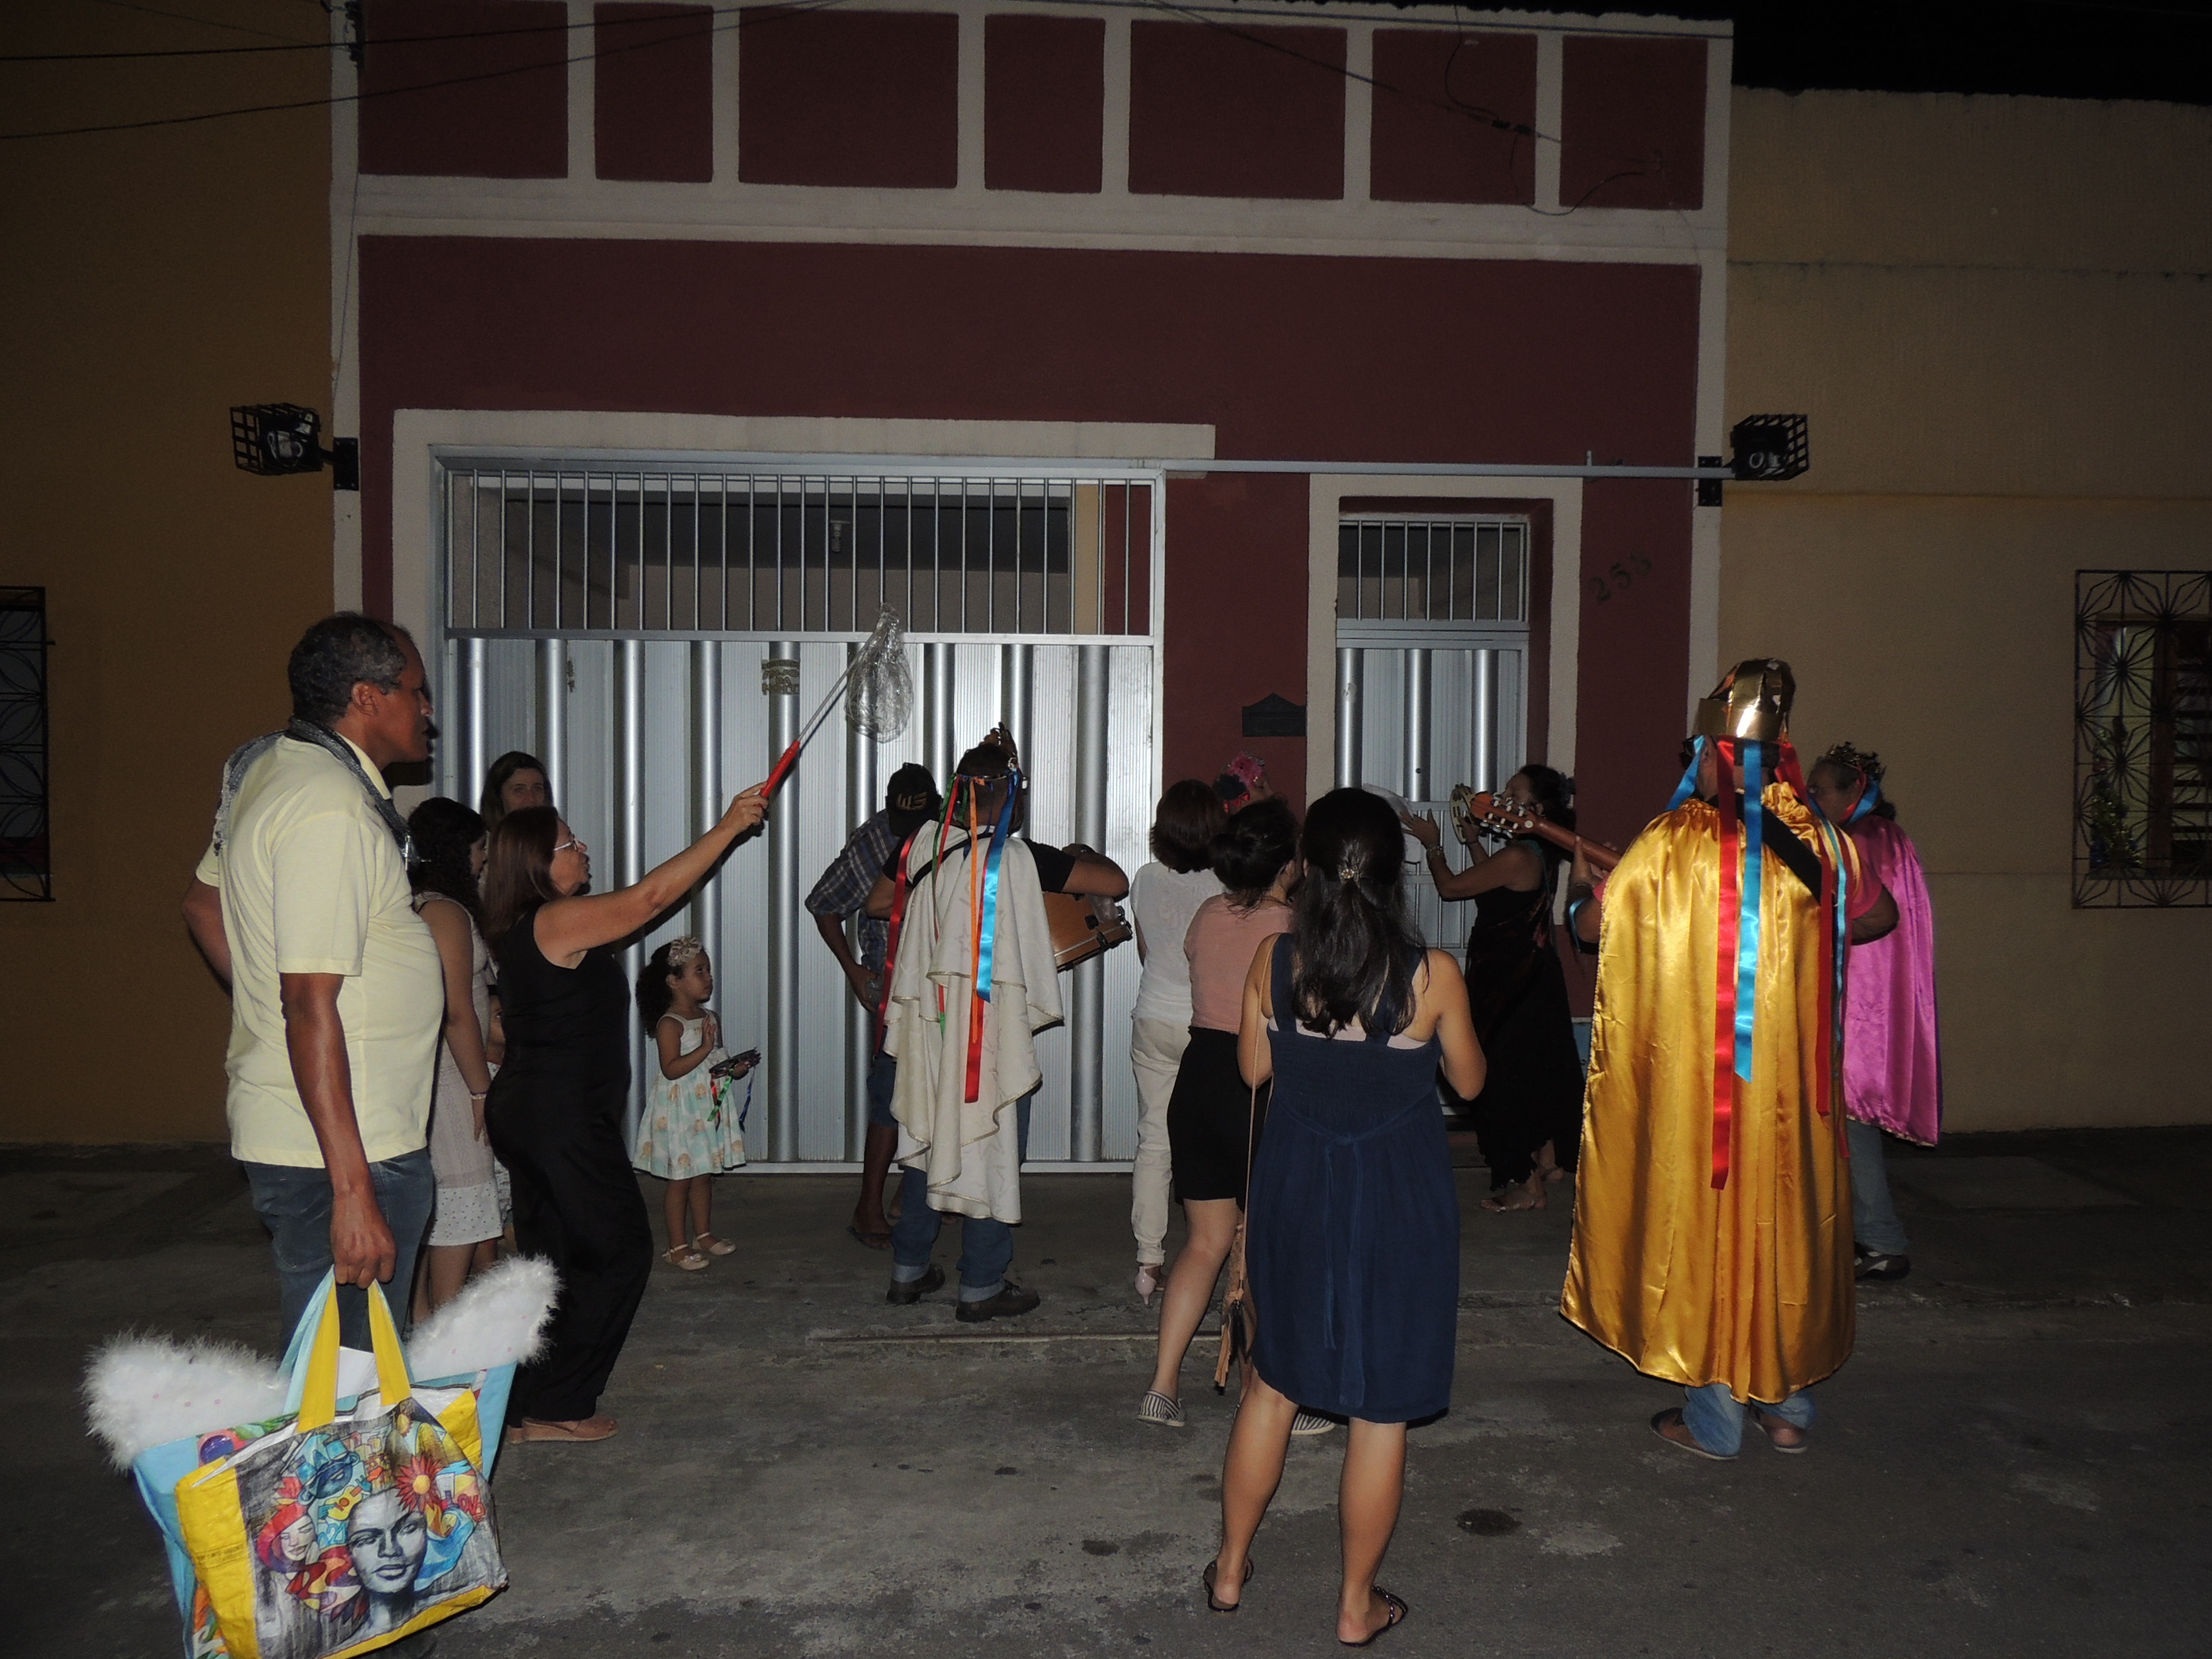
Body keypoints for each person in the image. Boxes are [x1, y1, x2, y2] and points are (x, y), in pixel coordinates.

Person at [1561, 659, 1898, 1462]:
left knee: (1711, 1230)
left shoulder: (1672, 842)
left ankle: (1714, 1419)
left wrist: (1582, 893)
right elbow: (1878, 918)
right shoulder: (1823, 841)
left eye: (1696, 752)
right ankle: (1786, 1409)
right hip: (1791, 1094)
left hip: (1706, 1090)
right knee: (1783, 1228)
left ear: (1715, 754)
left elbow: (1590, 931)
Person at [1207, 788, 1483, 1645]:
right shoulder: (1432, 975)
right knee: (1380, 1408)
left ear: (1306, 871)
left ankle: (1229, 1571)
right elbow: (1471, 1083)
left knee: (1272, 1387)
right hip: (1397, 1203)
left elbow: (1253, 1072)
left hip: (1297, 1192)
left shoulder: (1277, 961)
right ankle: (1356, 1606)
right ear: (1395, 873)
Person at [180, 613, 444, 1349]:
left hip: (327, 1133)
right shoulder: (329, 807)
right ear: (367, 697)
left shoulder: (270, 767)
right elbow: (308, 1001)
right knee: (349, 1376)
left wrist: (270, 1008)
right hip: (348, 1147)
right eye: (416, 691)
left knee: (344, 1367)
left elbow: (203, 906)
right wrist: (353, 1192)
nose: (428, 711)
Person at [482, 782, 769, 1443]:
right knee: (619, 1252)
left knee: (554, 1263)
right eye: (568, 843)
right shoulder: (552, 920)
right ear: (537, 864)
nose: (582, 847)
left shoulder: (529, 927)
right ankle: (560, 1404)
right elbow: (649, 900)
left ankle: (524, 1405)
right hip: (559, 1120)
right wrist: (729, 826)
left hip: (536, 1114)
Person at [867, 731, 1128, 1322]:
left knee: (928, 1132)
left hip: (932, 1023)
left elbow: (879, 903)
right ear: (1010, 793)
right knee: (992, 1140)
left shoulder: (920, 844)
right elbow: (1115, 883)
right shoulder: (1021, 858)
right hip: (989, 1031)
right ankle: (981, 1284)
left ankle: (909, 1270)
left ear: (955, 794)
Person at [1140, 798, 1309, 1429]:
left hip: (1199, 1080)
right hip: (1259, 1084)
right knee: (1262, 1248)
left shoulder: (1209, 913)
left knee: (1205, 1242)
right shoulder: (1293, 926)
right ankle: (1263, 1399)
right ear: (1288, 864)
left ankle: (1162, 1387)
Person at [1401, 766, 1586, 1212]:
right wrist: (1471, 841)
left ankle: (1526, 1184)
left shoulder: (1520, 855)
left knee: (1501, 1079)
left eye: (1512, 793)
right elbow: (1495, 890)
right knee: (1534, 1074)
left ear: (1534, 808)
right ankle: (1547, 1161)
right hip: (1533, 979)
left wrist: (1432, 843)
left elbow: (1451, 889)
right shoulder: (1533, 851)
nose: (1502, 797)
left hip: (1512, 984)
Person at [1808, 741, 1942, 1284]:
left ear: (1853, 793)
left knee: (1851, 1116)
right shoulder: (1883, 837)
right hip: (1868, 999)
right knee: (1843, 1120)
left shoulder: (1859, 841)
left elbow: (1845, 917)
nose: (1809, 797)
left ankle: (1881, 1240)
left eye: (1819, 789)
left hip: (1856, 1002)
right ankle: (1860, 1235)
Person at [805, 764, 943, 1250]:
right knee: (890, 1096)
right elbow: (823, 903)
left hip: (946, 983)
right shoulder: (869, 843)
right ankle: (868, 1207)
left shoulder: (951, 831)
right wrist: (853, 969)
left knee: (941, 1090)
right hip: (893, 987)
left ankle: (912, 1195)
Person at [1126, 780, 1226, 1305]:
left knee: (1155, 1140)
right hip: (1206, 1024)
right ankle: (1214, 1248)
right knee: (1215, 1140)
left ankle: (1148, 1263)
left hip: (1152, 1018)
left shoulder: (1144, 878)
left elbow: (1147, 953)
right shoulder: (1226, 884)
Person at [406, 797, 504, 1319]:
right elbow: (457, 1011)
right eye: (479, 847)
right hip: (450, 1076)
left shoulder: (430, 905)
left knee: (440, 1203)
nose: (483, 859)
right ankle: (442, 1328)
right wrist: (480, 1090)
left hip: (449, 1071)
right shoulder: (443, 911)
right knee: (463, 1194)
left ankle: (424, 1322)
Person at [632, 937, 755, 1269]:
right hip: (681, 1112)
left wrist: (734, 1069)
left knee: (703, 1174)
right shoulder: (670, 1024)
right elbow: (671, 1069)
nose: (708, 977)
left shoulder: (710, 1017)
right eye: (699, 971)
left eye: (708, 970)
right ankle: (677, 1246)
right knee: (681, 1179)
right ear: (674, 981)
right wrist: (703, 1048)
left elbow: (716, 1061)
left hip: (707, 1108)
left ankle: (704, 1234)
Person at [478, 750, 552, 839]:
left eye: (537, 789)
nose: (531, 798)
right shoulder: (482, 845)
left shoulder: (559, 842)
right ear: (498, 796)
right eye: (519, 790)